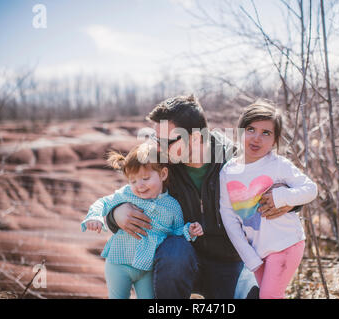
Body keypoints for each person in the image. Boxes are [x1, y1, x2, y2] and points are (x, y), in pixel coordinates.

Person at [104, 94, 297, 299]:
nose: (158, 147)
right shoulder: (162, 165)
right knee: (173, 249)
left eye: (165, 141)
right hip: (182, 259)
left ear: (195, 138)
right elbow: (128, 191)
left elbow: (285, 182)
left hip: (232, 261)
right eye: (155, 139)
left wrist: (286, 199)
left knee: (254, 292)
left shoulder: (235, 160)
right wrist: (115, 213)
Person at [219, 99, 318, 299]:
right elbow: (228, 215)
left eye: (266, 133)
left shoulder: (278, 165)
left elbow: (311, 189)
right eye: (251, 129)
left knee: (269, 296)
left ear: (275, 140)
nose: (257, 138)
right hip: (257, 252)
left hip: (286, 243)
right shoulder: (228, 171)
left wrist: (281, 197)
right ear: (240, 132)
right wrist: (248, 256)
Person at [81, 143, 203, 299]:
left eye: (145, 178)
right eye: (133, 181)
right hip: (119, 263)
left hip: (147, 268)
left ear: (163, 174)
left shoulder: (172, 206)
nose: (139, 186)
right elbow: (103, 203)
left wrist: (189, 230)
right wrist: (95, 216)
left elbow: (175, 233)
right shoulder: (126, 194)